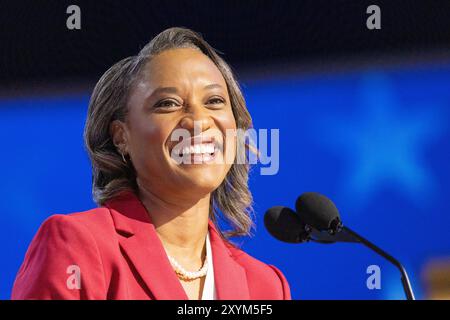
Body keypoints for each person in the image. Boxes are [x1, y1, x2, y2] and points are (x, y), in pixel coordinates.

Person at [11, 27, 291, 300]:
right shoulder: (77, 246)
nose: (198, 121)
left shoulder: (265, 286)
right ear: (122, 136)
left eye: (215, 101)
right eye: (167, 104)